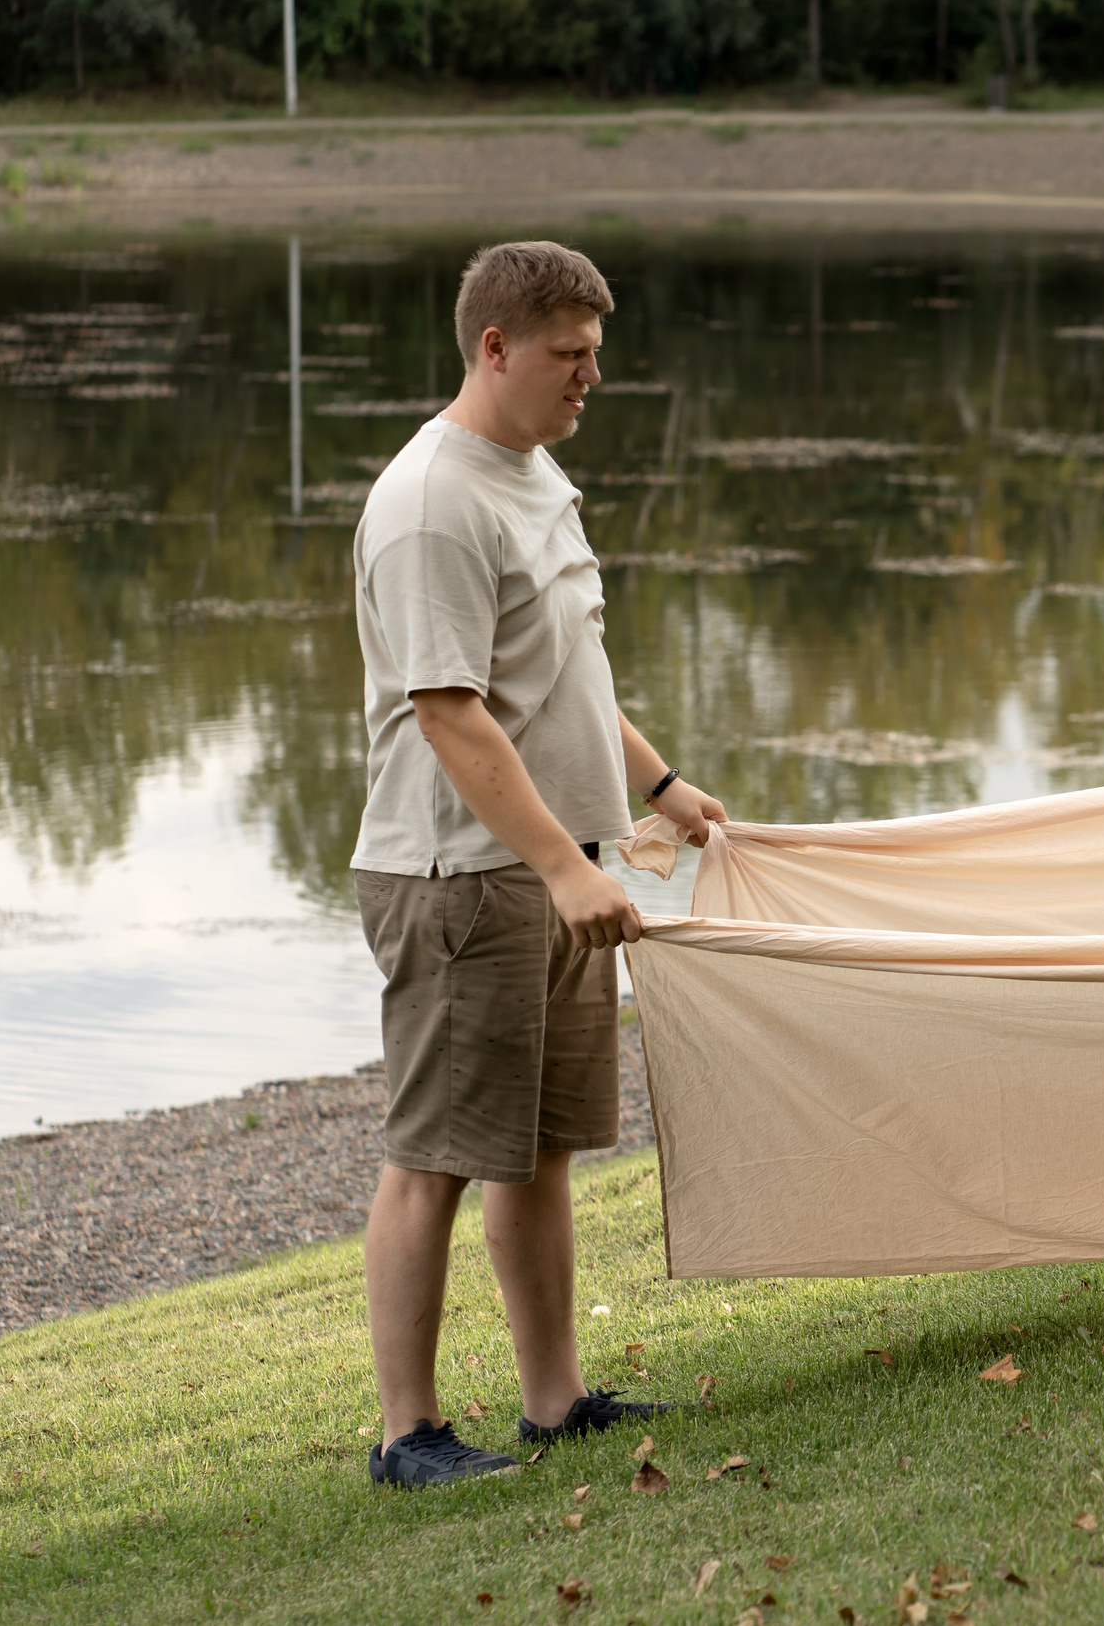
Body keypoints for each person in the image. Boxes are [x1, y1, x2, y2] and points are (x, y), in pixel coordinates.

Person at [350, 241, 727, 1488]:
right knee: (438, 1155)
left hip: (558, 865)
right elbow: (454, 712)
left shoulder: (529, 469)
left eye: (597, 356)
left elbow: (562, 669)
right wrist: (562, 871)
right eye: (569, 356)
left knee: (542, 1148)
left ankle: (554, 1402)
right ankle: (407, 1437)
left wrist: (659, 788)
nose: (589, 379)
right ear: (494, 349)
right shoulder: (429, 506)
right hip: (463, 878)